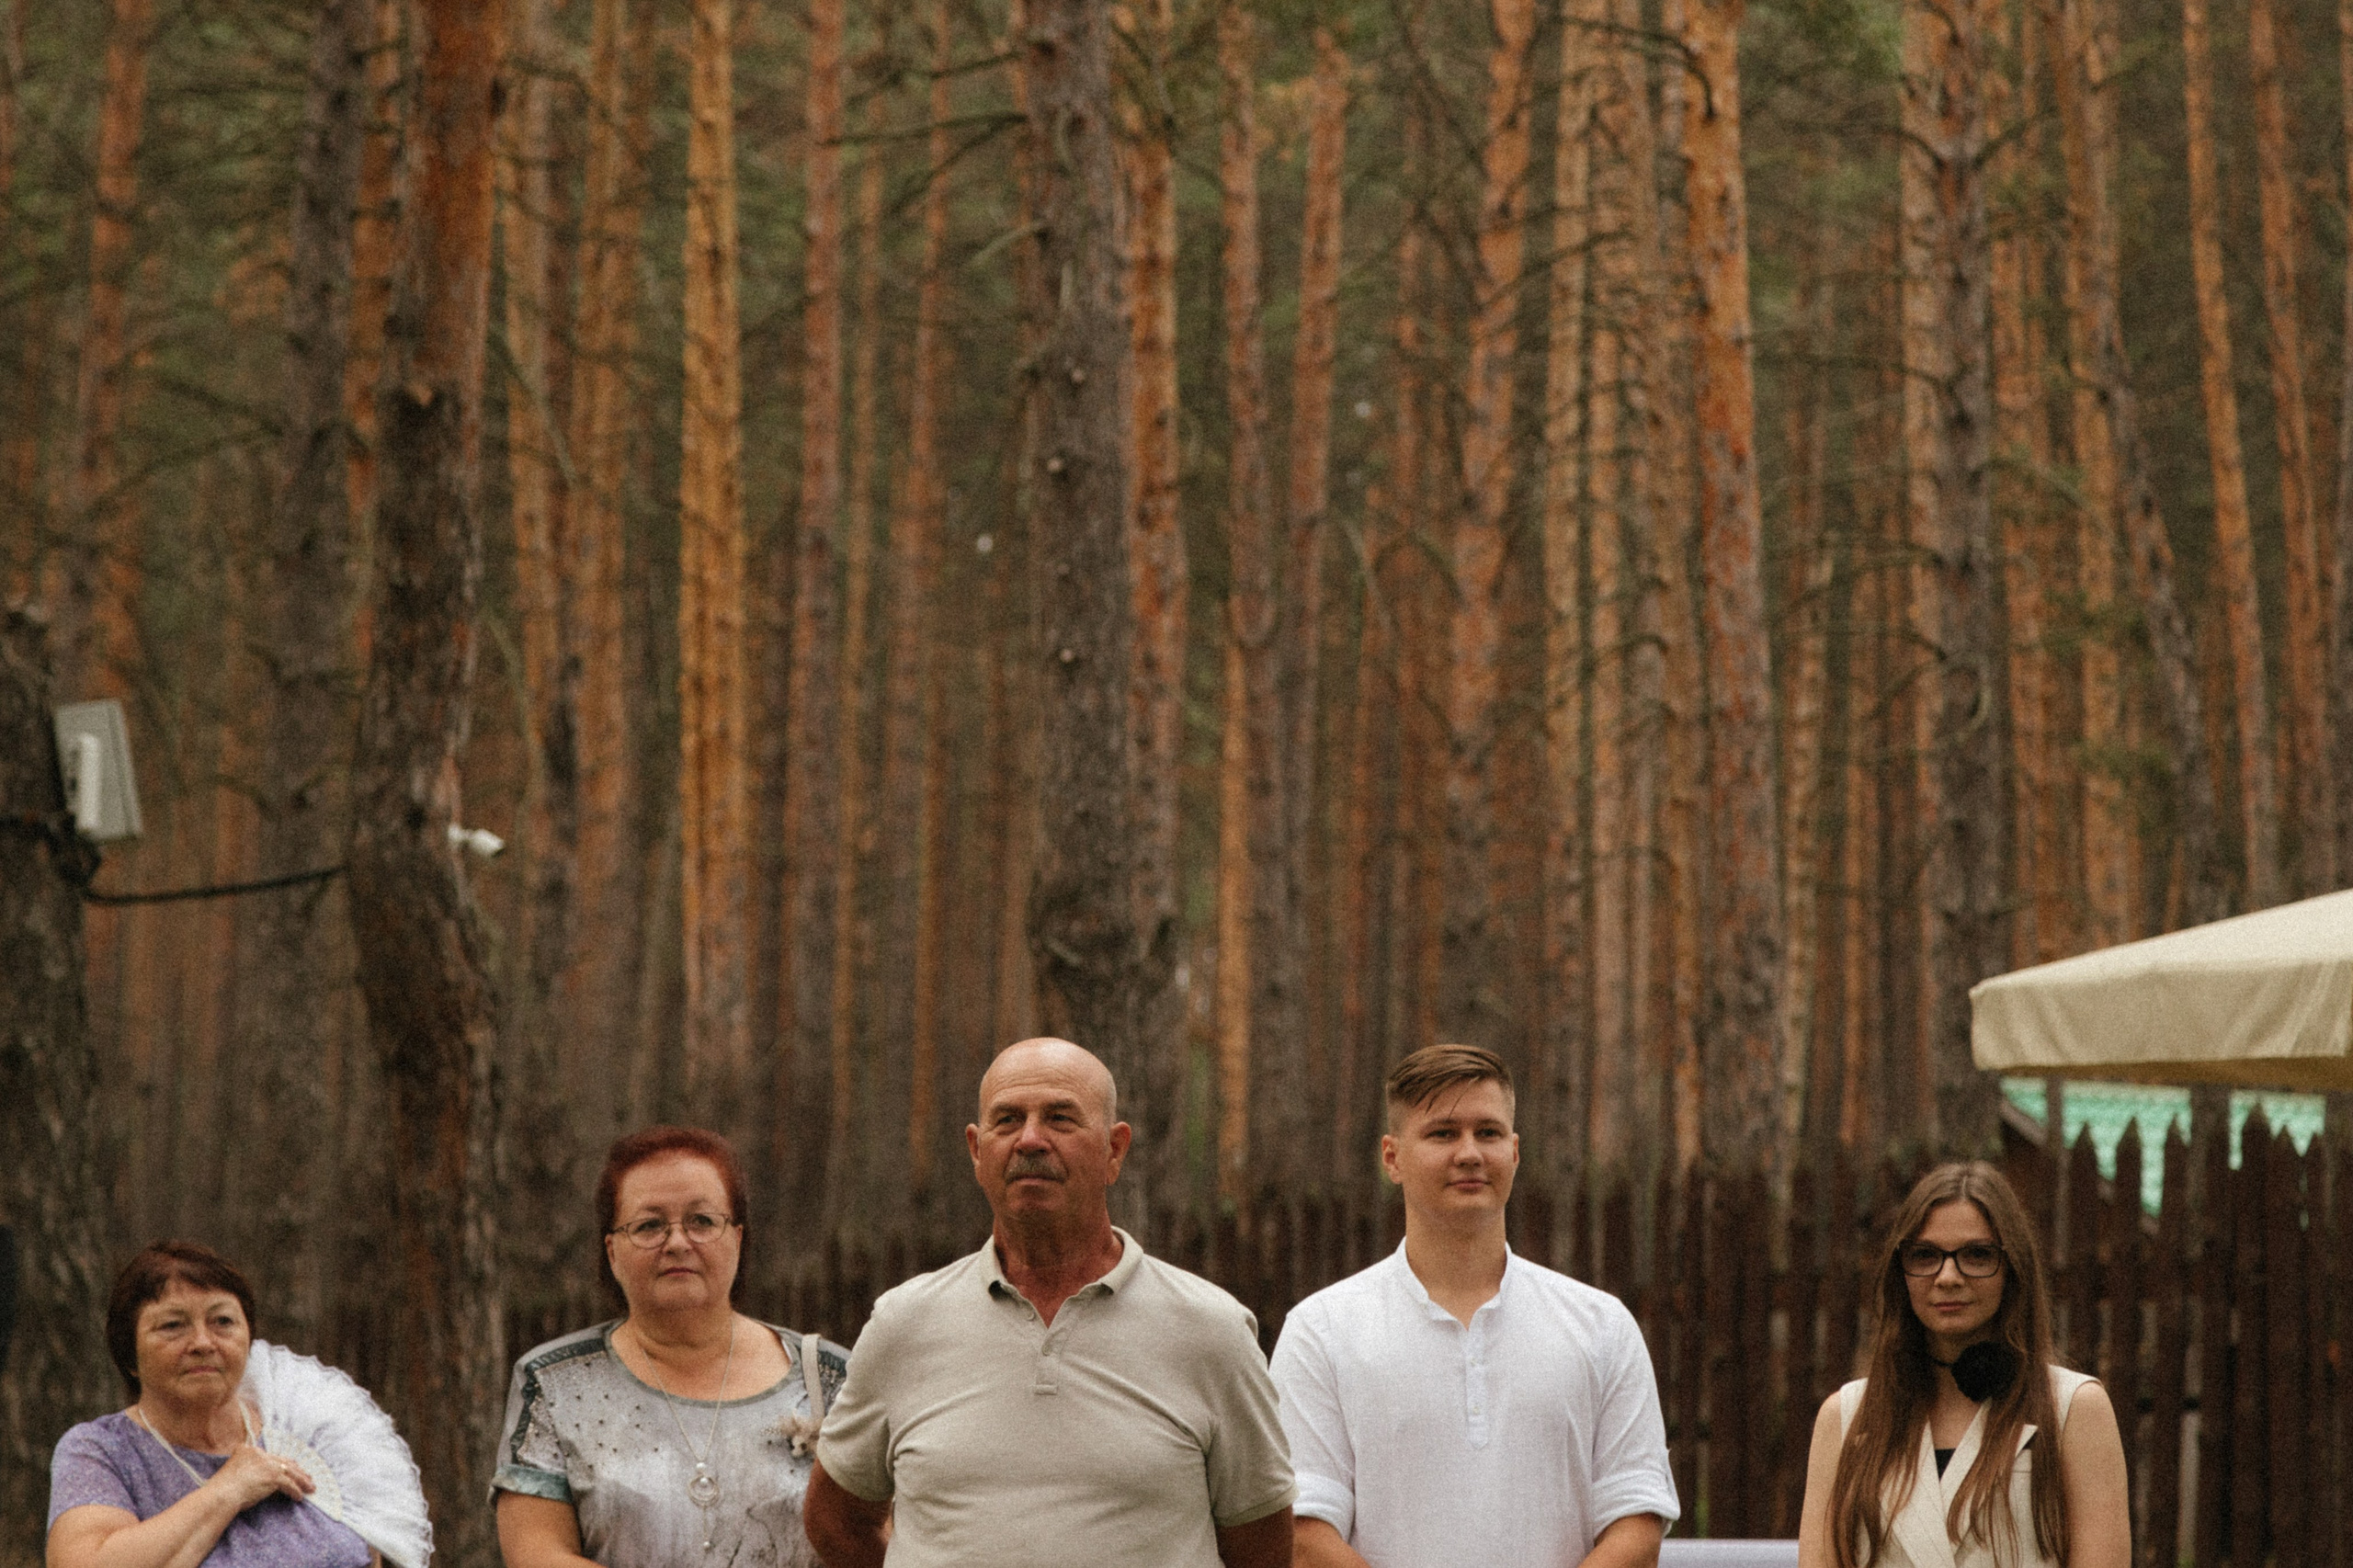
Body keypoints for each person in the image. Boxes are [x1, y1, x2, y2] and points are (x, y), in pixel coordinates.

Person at [803, 1037, 1296, 1568]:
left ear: (1114, 1150)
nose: (1030, 1139)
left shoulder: (1211, 1331)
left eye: (1060, 1119)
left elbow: (1261, 1550)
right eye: (1007, 1120)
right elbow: (836, 1520)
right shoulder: (904, 1324)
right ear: (975, 1149)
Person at [1269, 1043, 1679, 1568]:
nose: (1469, 1153)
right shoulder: (1321, 1331)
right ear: (1391, 1157)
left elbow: (1637, 1524)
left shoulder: (1601, 1326)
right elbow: (1305, 1536)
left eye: (1487, 1132)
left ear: (1514, 1151)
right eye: (1443, 1133)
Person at [493, 1126, 847, 1568]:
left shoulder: (833, 1381)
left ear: (737, 1238)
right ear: (612, 1252)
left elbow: (883, 1540)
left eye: (702, 1221)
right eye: (650, 1225)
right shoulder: (553, 1383)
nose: (678, 1243)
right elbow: (537, 1553)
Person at [1795, 1162, 2131, 1568]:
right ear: (1900, 1272)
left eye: (1976, 1254)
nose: (1948, 1276)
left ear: (2012, 1268)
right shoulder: (1848, 1416)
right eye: (1925, 1255)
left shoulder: (2074, 1409)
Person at [46, 1241, 395, 1568]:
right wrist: (229, 1488)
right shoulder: (103, 1450)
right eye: (172, 1325)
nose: (202, 1342)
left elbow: (369, 1551)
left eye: (222, 1321)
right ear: (129, 1356)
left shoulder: (309, 1430)